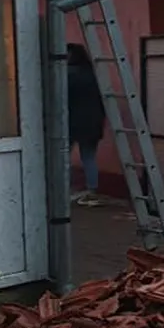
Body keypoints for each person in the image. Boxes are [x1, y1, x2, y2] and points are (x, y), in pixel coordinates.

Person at [68, 43, 106, 207]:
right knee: (89, 157)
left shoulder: (68, 74)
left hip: (71, 122)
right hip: (93, 122)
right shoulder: (94, 74)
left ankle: (64, 189)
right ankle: (92, 191)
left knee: (62, 158)